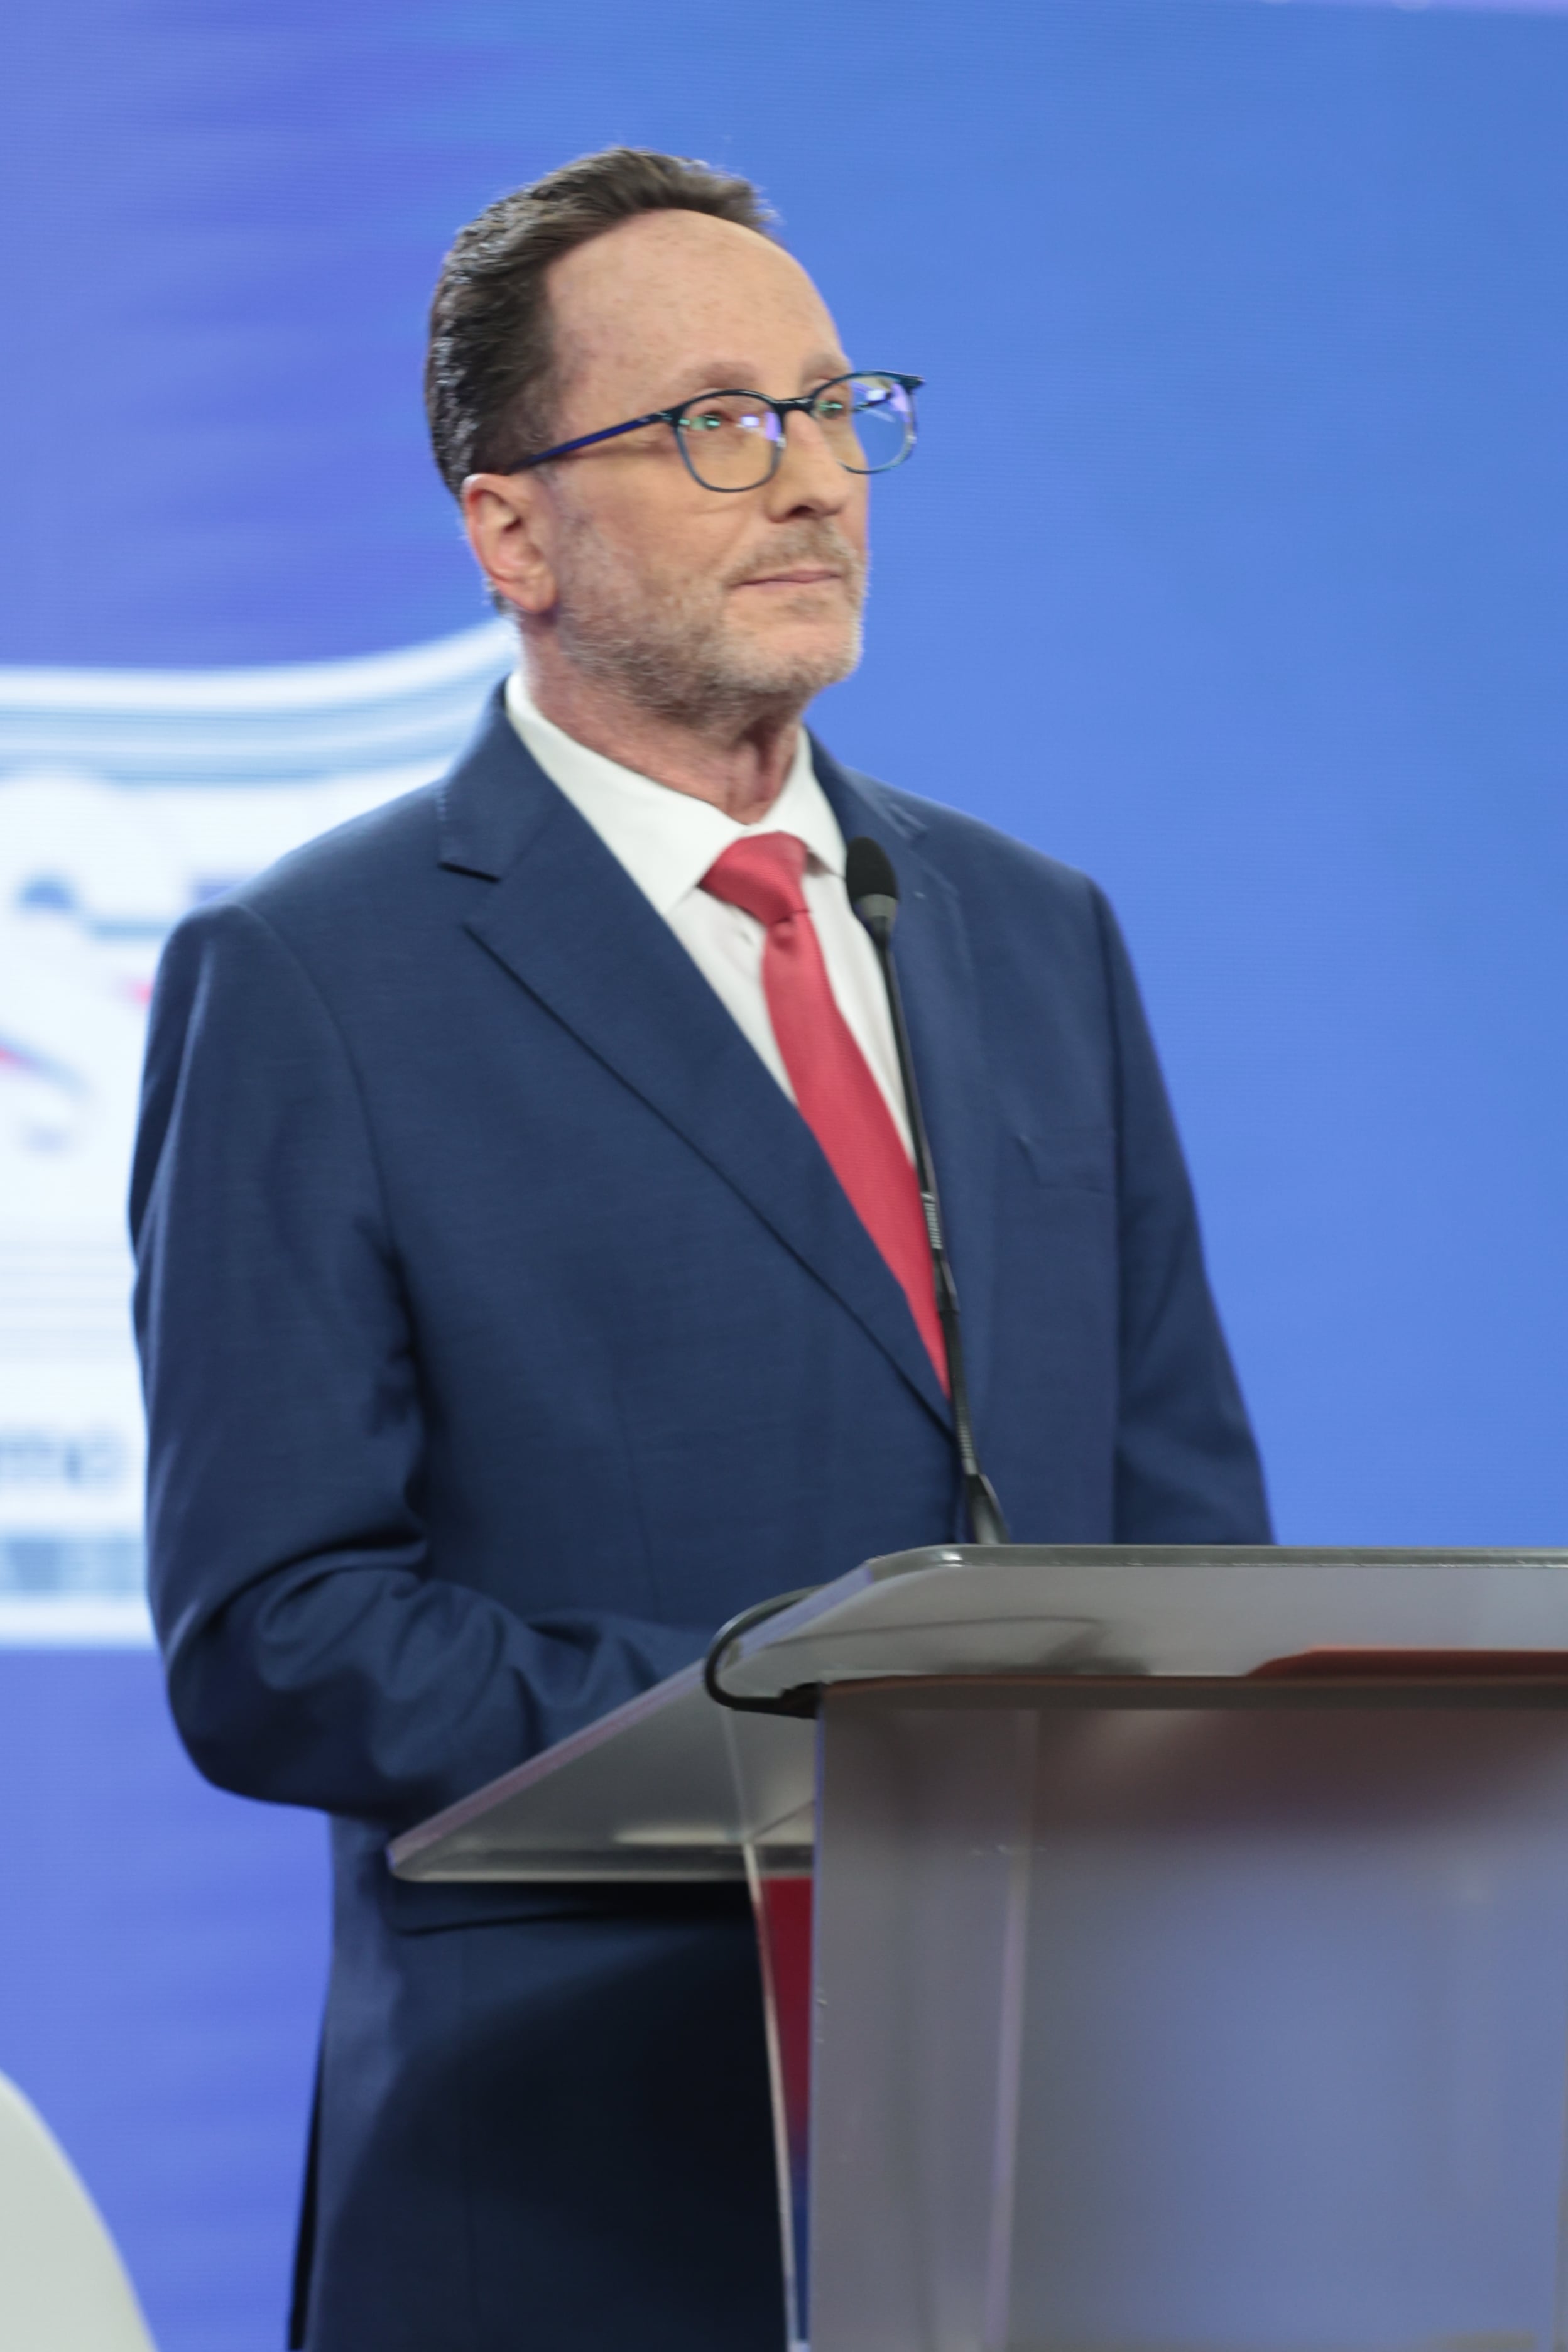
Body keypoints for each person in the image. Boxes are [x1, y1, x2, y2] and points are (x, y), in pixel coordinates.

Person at [131, 147, 1270, 2352]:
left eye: (840, 411)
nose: (813, 482)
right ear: (512, 528)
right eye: (714, 427)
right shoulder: (317, 977)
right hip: (571, 2197)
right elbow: (278, 1635)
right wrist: (826, 1729)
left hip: (1039, 2188)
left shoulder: (1038, 936)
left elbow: (1181, 1528)